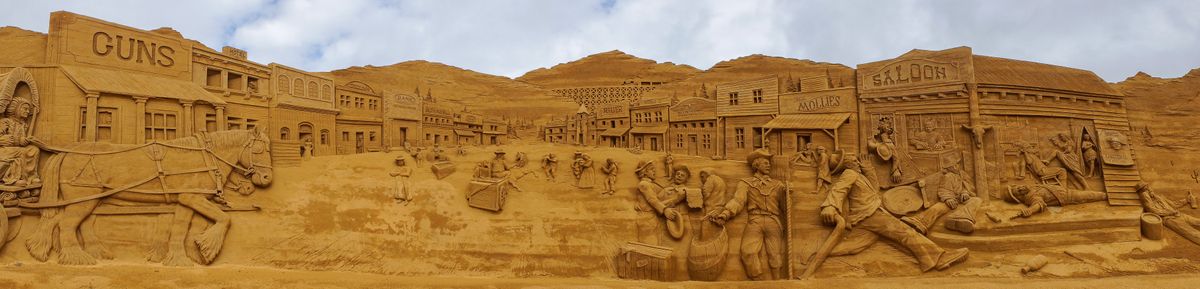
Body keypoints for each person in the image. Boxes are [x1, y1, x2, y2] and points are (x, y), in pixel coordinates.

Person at [820, 155, 969, 272]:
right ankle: (939, 258)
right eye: (853, 160)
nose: (857, 161)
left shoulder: (859, 175)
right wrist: (830, 206)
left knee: (855, 246)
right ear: (846, 164)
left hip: (866, 217)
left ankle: (814, 256)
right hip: (870, 214)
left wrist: (869, 169)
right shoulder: (849, 173)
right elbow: (839, 189)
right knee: (905, 232)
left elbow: (875, 189)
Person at [709, 149, 787, 280]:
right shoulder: (746, 183)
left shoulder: (778, 185)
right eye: (765, 163)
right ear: (756, 165)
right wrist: (725, 214)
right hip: (754, 220)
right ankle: (758, 282)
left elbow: (785, 208)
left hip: (773, 221)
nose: (769, 165)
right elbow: (738, 201)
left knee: (775, 254)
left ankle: (777, 282)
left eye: (769, 163)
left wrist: (787, 195)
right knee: (747, 252)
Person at [900, 161, 983, 234]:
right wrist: (948, 198)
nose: (957, 166)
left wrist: (965, 193)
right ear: (950, 167)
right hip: (951, 199)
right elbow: (943, 189)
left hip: (961, 199)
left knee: (977, 200)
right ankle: (919, 221)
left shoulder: (962, 175)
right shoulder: (948, 176)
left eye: (957, 164)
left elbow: (967, 186)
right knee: (938, 208)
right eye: (954, 165)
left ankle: (962, 217)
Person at [633, 160, 676, 245]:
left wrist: (665, 192)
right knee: (650, 246)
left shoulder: (649, 184)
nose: (654, 171)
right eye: (651, 169)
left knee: (656, 244)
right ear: (645, 172)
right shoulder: (644, 184)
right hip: (646, 219)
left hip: (651, 218)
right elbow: (652, 200)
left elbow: (655, 199)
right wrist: (665, 210)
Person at [0, 99, 40, 186]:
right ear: (16, 109)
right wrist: (17, 140)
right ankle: (16, 178)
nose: (27, 111)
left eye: (28, 109)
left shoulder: (23, 125)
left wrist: (25, 141)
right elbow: (2, 138)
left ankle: (31, 177)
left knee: (34, 149)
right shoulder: (5, 122)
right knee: (22, 152)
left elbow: (21, 141)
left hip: (15, 149)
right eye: (25, 109)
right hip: (3, 150)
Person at [1005, 184, 1108, 218]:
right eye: (1018, 190)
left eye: (1018, 187)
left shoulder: (1030, 189)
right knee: (1088, 195)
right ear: (1019, 197)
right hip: (1066, 196)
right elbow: (1039, 204)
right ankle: (1106, 196)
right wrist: (1030, 211)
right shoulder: (1031, 197)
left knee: (1088, 194)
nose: (1021, 187)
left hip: (1063, 190)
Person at [695, 168, 727, 240]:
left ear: (707, 174)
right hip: (719, 208)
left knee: (705, 230)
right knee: (715, 232)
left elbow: (705, 193)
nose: (701, 179)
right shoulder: (721, 180)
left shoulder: (710, 179)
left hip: (711, 208)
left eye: (702, 177)